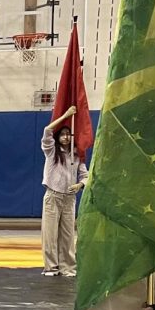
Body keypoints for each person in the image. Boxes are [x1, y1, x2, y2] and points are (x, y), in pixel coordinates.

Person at [41, 106, 88, 277]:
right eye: (62, 134)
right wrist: (66, 115)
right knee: (50, 235)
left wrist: (79, 185)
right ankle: (51, 267)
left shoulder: (76, 156)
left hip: (69, 199)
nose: (66, 137)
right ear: (58, 137)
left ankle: (68, 267)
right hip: (53, 196)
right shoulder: (52, 152)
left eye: (68, 134)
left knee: (68, 236)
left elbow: (86, 176)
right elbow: (47, 130)